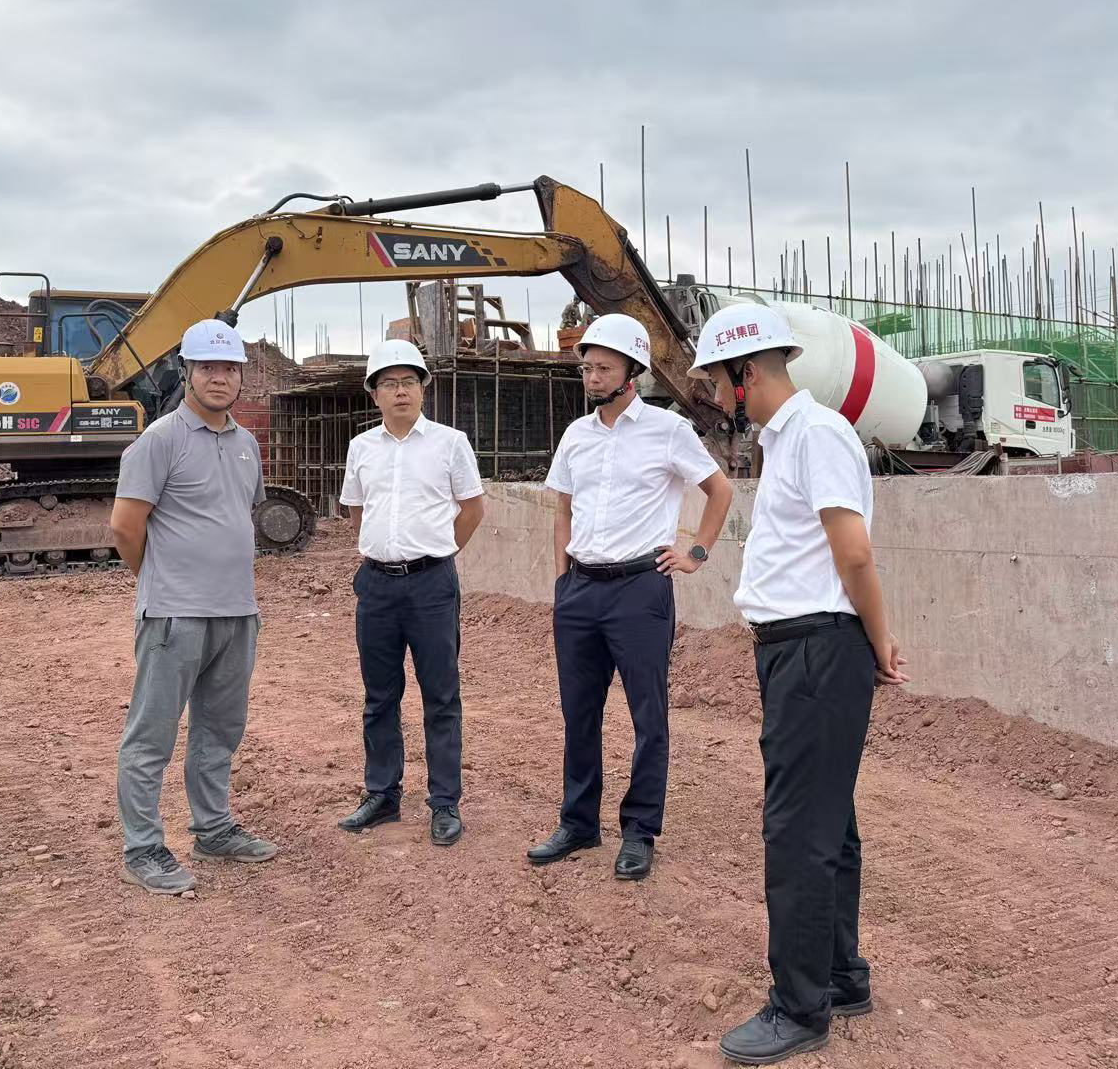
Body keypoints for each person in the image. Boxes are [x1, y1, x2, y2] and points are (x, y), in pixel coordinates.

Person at [687, 303, 909, 1067]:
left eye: (716, 380)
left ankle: (799, 1006)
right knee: (828, 824)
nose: (713, 394)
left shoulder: (816, 434)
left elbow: (854, 553)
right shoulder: (787, 440)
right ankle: (841, 975)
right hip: (801, 649)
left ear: (746, 373)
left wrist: (879, 637)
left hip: (818, 648)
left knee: (796, 832)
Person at [529, 313, 733, 881]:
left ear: (632, 371)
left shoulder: (668, 431)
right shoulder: (576, 435)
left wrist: (696, 553)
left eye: (603, 367)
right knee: (579, 712)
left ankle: (640, 831)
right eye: (587, 368)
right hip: (581, 590)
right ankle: (578, 823)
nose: (592, 377)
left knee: (648, 715)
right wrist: (562, 579)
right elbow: (564, 509)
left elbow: (719, 489)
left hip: (640, 591)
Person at [110, 318, 278, 895]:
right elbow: (125, 527)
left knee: (219, 730)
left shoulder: (246, 444)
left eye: (229, 368)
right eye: (208, 367)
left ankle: (213, 829)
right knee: (151, 735)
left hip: (236, 612)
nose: (219, 377)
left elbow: (236, 515)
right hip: (174, 615)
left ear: (241, 376)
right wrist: (159, 582)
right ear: (187, 373)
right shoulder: (159, 440)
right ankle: (143, 848)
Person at [336, 340, 485, 845]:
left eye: (408, 382)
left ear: (423, 389)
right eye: (389, 383)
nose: (400, 391)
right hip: (376, 585)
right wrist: (386, 550)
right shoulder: (362, 448)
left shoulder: (450, 443)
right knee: (379, 696)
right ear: (374, 394)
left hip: (431, 585)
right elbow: (357, 512)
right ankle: (382, 794)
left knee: (440, 695)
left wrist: (436, 552)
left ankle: (444, 802)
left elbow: (472, 509)